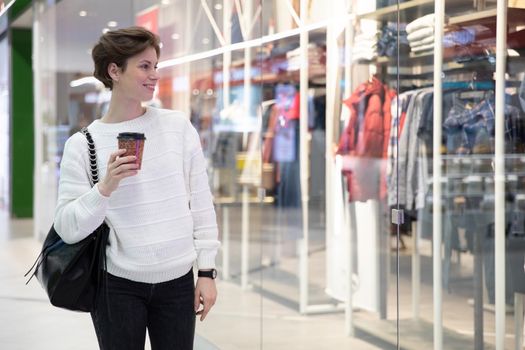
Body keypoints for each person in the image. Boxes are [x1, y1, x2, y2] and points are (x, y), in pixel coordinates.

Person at [54, 26, 220, 350]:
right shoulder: (82, 144)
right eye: (144, 66)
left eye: (156, 66)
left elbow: (201, 202)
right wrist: (105, 187)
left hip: (178, 283)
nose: (154, 75)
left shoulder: (177, 127)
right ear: (114, 70)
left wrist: (207, 271)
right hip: (116, 286)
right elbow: (67, 226)